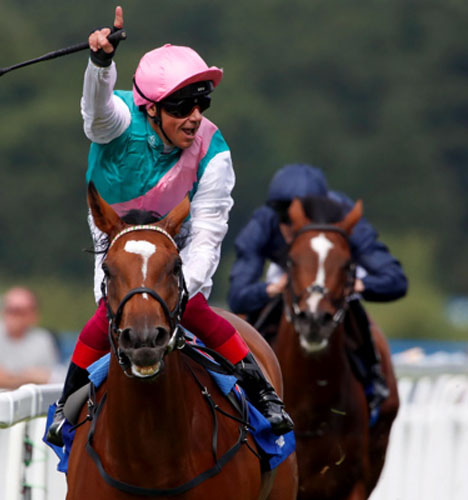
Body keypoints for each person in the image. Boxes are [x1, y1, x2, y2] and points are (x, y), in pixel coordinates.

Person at [46, 6, 293, 445]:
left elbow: (208, 235)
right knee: (110, 312)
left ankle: (263, 395)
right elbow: (95, 109)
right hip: (116, 239)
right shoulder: (118, 121)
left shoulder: (214, 153)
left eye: (203, 103)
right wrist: (100, 64)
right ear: (151, 108)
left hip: (175, 248)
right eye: (183, 106)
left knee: (193, 309)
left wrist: (178, 292)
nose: (195, 116)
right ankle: (65, 408)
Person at [227, 163, 408, 410]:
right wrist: (271, 289)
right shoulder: (263, 222)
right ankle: (246, 379)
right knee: (250, 319)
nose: (292, 226)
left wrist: (356, 285)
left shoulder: (343, 217)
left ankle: (373, 380)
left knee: (351, 307)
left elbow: (396, 281)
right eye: (284, 217)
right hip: (288, 273)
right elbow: (238, 296)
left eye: (303, 216)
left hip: (333, 275)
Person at [0, 287, 58, 390]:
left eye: (19, 311)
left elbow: (48, 379)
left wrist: (7, 376)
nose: (13, 316)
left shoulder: (42, 339)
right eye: (9, 310)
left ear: (33, 314)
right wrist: (28, 377)